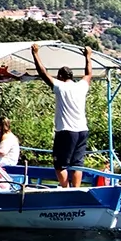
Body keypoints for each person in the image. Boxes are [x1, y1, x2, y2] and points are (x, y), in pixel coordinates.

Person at [32, 43, 93, 188]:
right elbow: (89, 74)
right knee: (77, 164)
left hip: (66, 131)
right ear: (72, 76)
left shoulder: (60, 86)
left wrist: (35, 54)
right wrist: (88, 56)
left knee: (60, 164)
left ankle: (65, 189)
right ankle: (76, 190)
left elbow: (43, 73)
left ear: (60, 76)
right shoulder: (81, 86)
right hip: (82, 130)